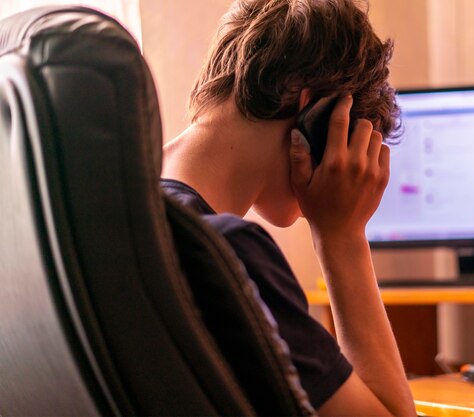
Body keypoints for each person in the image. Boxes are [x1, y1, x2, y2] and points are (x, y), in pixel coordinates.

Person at [161, 0, 416, 415]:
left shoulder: (115, 203)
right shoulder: (226, 255)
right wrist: (343, 235)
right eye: (352, 148)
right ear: (315, 114)